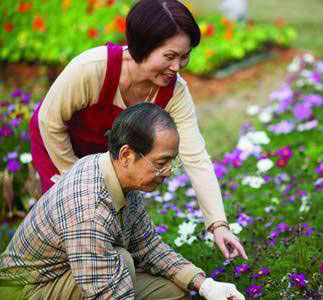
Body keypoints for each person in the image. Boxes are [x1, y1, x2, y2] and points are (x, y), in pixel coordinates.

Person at [29, 0, 247, 261]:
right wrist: (77, 182)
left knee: (112, 229)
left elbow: (196, 157)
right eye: (169, 56)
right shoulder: (92, 68)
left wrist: (218, 224)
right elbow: (50, 122)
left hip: (112, 158)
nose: (177, 67)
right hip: (60, 147)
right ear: (140, 47)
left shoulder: (174, 92)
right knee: (72, 225)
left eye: (185, 56)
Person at [1, 103, 245, 300]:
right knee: (123, 260)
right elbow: (104, 293)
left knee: (172, 292)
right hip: (28, 290)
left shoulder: (118, 174)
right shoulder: (89, 208)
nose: (169, 172)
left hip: (80, 273)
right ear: (127, 155)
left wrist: (206, 285)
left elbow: (147, 246)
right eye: (161, 163)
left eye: (171, 162)